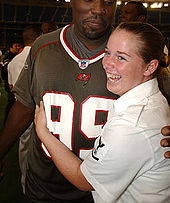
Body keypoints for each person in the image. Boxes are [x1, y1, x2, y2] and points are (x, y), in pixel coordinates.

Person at [0, 0, 169, 202]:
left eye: (109, 2)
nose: (98, 9)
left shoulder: (135, 56)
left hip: (98, 193)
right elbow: (25, 107)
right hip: (44, 188)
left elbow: (158, 106)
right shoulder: (44, 47)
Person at [35, 22, 170, 202]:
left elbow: (83, 180)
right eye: (107, 52)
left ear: (150, 67)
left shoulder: (132, 125)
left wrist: (43, 133)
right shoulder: (146, 103)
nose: (107, 63)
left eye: (121, 57)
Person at [7, 25, 42, 194]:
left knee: (24, 149)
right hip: (37, 111)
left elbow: (12, 87)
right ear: (37, 38)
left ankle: (24, 185)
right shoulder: (41, 55)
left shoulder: (13, 61)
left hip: (19, 111)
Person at [1, 41, 21, 123]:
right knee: (11, 103)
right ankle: (7, 122)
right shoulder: (8, 56)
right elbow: (7, 67)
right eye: (15, 46)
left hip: (15, 82)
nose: (17, 47)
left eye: (18, 46)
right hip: (9, 83)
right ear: (10, 48)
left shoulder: (18, 55)